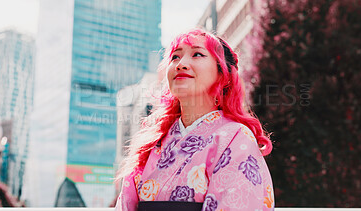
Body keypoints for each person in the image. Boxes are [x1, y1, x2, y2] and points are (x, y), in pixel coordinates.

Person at [115, 28, 274, 211]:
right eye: (175, 57)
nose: (181, 64)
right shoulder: (152, 143)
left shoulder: (235, 137)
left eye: (197, 54)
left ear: (222, 73)